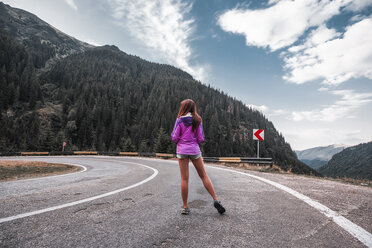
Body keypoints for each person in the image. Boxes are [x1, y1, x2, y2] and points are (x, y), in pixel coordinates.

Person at [171, 99, 225, 215]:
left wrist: (181, 140)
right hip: (194, 150)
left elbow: (174, 137)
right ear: (193, 108)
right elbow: (201, 138)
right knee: (204, 176)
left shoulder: (179, 120)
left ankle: (185, 207)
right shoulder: (198, 120)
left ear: (184, 108)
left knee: (184, 179)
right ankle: (216, 199)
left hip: (182, 151)